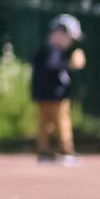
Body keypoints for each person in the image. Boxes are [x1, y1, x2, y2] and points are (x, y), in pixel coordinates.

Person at [31, 13, 86, 163]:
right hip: (54, 95)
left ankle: (44, 150)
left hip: (43, 93)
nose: (70, 43)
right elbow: (53, 67)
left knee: (46, 124)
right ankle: (65, 149)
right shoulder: (53, 51)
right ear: (59, 33)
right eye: (69, 38)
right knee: (62, 122)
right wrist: (71, 64)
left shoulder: (47, 51)